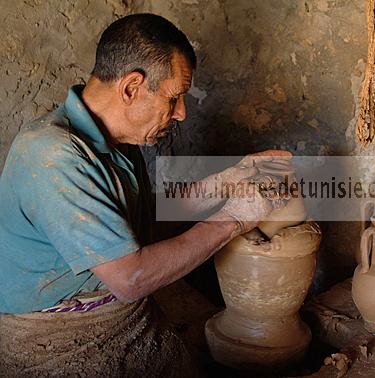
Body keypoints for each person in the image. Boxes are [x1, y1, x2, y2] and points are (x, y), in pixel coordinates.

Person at [0, 13, 288, 376]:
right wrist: (233, 220)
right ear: (131, 87)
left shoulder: (119, 140)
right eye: (174, 98)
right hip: (52, 336)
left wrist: (228, 181)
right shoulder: (53, 155)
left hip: (122, 315)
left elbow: (142, 225)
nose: (181, 113)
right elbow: (130, 278)